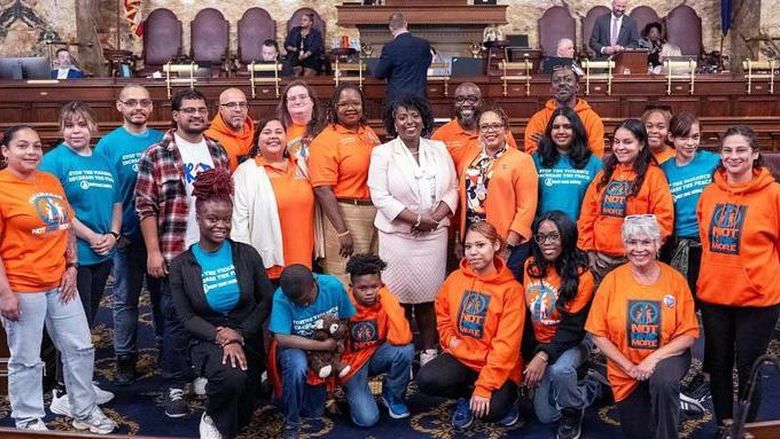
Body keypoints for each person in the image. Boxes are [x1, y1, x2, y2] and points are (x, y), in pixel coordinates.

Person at [0, 125, 116, 434]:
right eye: (22, 146)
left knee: (80, 347)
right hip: (22, 287)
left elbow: (65, 225)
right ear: (5, 151)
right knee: (26, 358)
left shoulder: (50, 180)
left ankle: (83, 410)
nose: (31, 151)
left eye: (36, 146)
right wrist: (5, 294)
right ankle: (28, 420)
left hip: (60, 282)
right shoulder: (1, 187)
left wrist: (73, 265)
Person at [134, 88, 230, 418]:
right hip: (175, 250)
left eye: (202, 110)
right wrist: (153, 251)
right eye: (188, 110)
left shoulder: (217, 150)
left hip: (213, 251)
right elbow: (144, 206)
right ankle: (174, 383)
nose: (196, 115)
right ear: (175, 116)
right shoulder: (157, 154)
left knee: (211, 316)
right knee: (175, 321)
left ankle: (202, 372)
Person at [169, 168, 273, 439]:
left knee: (245, 403)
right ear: (198, 218)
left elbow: (265, 301)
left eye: (226, 219)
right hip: (206, 335)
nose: (221, 225)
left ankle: (223, 404)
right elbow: (185, 317)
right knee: (232, 379)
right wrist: (223, 338)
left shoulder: (246, 254)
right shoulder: (182, 265)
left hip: (245, 331)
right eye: (212, 219)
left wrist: (239, 334)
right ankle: (212, 417)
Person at [585, 215, 699, 439]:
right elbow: (598, 334)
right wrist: (629, 367)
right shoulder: (612, 281)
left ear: (658, 244)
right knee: (639, 433)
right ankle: (672, 402)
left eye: (646, 242)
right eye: (632, 242)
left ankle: (668, 403)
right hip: (625, 367)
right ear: (625, 245)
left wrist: (652, 360)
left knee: (663, 382)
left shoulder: (675, 280)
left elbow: (688, 335)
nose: (639, 249)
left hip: (668, 357)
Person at [40, 101, 120, 416]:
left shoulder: (103, 160)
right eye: (70, 125)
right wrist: (91, 237)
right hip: (72, 257)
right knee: (72, 327)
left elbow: (116, 202)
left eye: (82, 124)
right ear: (62, 129)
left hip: (103, 252)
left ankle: (81, 383)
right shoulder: (53, 161)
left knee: (86, 324)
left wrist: (112, 235)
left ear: (93, 128)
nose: (76, 130)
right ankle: (64, 390)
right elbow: (58, 210)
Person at [696, 126, 780, 426]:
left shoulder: (773, 194)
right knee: (718, 364)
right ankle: (724, 424)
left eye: (741, 150)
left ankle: (745, 427)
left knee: (749, 368)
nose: (734, 157)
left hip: (758, 299)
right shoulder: (709, 193)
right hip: (715, 295)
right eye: (728, 151)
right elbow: (706, 242)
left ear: (755, 153)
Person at [368, 95, 458, 367]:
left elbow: (452, 188)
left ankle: (429, 351)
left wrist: (433, 218)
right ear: (394, 123)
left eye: (415, 115)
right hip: (398, 237)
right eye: (402, 117)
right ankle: (401, 351)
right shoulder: (382, 153)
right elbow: (380, 196)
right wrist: (416, 220)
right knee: (399, 298)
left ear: (424, 119)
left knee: (430, 296)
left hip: (434, 236)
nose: (410, 121)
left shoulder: (439, 148)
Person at [417, 221, 524, 431]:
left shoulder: (512, 290)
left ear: (495, 246)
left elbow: (506, 346)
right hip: (462, 357)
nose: (473, 252)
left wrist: (485, 386)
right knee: (426, 379)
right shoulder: (455, 279)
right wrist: (450, 340)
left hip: (497, 365)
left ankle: (506, 399)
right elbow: (442, 314)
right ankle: (467, 396)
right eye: (468, 246)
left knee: (492, 411)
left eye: (480, 245)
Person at [96, 84, 165, 385]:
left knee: (164, 301)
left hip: (161, 239)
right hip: (126, 237)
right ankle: (125, 357)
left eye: (144, 103)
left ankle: (168, 352)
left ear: (151, 108)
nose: (138, 108)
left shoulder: (163, 140)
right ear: (119, 106)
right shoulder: (108, 146)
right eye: (131, 102)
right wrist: (113, 231)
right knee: (125, 300)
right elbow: (103, 193)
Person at [522, 211, 605, 439]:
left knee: (560, 370)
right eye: (541, 237)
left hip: (574, 340)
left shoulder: (582, 275)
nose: (546, 243)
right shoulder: (530, 266)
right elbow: (526, 317)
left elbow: (573, 329)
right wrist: (530, 354)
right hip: (543, 342)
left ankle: (584, 399)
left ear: (566, 237)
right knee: (546, 415)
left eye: (554, 236)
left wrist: (542, 357)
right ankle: (577, 384)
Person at [578, 119, 674, 282]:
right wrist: (588, 250)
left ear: (641, 145)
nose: (620, 147)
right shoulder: (604, 175)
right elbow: (588, 215)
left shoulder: (654, 176)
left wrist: (643, 252)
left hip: (637, 260)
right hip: (600, 261)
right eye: (616, 142)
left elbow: (664, 220)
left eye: (627, 142)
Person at [268, 265, 357, 439]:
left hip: (327, 348)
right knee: (297, 366)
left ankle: (296, 395)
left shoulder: (332, 286)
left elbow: (347, 316)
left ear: (315, 283)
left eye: (307, 299)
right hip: (296, 347)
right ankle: (291, 422)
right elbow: (282, 338)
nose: (304, 304)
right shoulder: (281, 296)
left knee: (314, 411)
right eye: (297, 302)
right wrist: (323, 347)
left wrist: (337, 340)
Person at [309, 84, 382, 283]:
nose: (351, 108)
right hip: (344, 213)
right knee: (345, 275)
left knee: (370, 276)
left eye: (355, 103)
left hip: (374, 213)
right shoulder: (325, 141)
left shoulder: (368, 133)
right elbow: (323, 190)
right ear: (334, 108)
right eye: (344, 104)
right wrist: (342, 231)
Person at [231, 117, 315, 283]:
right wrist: (244, 258)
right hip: (270, 265)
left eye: (279, 132)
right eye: (267, 132)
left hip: (305, 260)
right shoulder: (246, 172)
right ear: (257, 139)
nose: (273, 136)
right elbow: (238, 220)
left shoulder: (302, 165)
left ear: (286, 138)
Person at [460, 106, 538, 281]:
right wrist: (462, 237)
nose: (490, 131)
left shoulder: (522, 160)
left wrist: (508, 246)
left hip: (507, 242)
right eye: (485, 127)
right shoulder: (470, 157)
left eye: (496, 125)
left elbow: (527, 207)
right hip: (475, 240)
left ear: (506, 129)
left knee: (505, 291)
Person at [340, 253, 414, 427]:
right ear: (352, 287)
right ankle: (352, 390)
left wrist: (387, 298)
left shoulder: (386, 301)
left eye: (374, 286)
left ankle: (392, 395)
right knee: (367, 420)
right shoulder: (343, 305)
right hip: (353, 364)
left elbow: (402, 338)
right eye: (362, 288)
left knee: (406, 350)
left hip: (377, 355)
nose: (369, 292)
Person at [659, 112, 718, 295]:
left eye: (695, 137)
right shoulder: (664, 170)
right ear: (671, 138)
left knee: (709, 294)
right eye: (684, 137)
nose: (691, 143)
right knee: (682, 295)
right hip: (679, 242)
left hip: (710, 240)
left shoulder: (714, 161)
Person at [533, 107, 603, 221]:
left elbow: (598, 204)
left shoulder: (593, 163)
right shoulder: (537, 160)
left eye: (567, 127)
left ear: (576, 130)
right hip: (545, 232)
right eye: (556, 127)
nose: (561, 131)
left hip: (580, 232)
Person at [431, 82, 519, 172]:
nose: (465, 104)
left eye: (471, 99)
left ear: (481, 102)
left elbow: (515, 163)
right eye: (460, 99)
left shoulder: (500, 132)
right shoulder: (441, 135)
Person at [524, 66, 606, 157]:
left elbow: (596, 156)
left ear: (577, 87)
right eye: (556, 81)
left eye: (568, 80)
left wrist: (549, 146)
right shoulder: (538, 119)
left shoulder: (592, 119)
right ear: (551, 89)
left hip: (581, 170)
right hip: (547, 170)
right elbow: (531, 155)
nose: (562, 83)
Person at [374, 12, 432, 103]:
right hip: (419, 99)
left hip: (397, 100)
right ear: (406, 24)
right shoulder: (424, 44)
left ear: (390, 28)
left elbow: (379, 74)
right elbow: (427, 63)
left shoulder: (390, 48)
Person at [205, 88, 255, 172]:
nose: (238, 109)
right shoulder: (208, 139)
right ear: (221, 109)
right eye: (231, 105)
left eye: (242, 104)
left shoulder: (257, 135)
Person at [277, 80, 325, 164]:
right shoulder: (279, 130)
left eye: (302, 97)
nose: (298, 102)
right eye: (292, 99)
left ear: (312, 101)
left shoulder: (326, 129)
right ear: (286, 104)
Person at [283, 12, 323, 77]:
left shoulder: (316, 33)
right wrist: (293, 49)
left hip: (310, 57)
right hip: (295, 56)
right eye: (301, 20)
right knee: (294, 71)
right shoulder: (294, 31)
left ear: (310, 23)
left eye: (305, 20)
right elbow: (287, 44)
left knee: (308, 74)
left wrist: (305, 55)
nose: (302, 22)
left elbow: (315, 47)